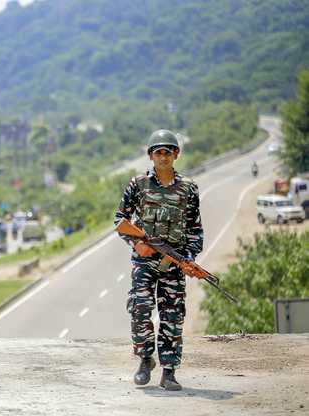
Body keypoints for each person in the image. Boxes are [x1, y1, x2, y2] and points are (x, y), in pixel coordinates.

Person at [114, 129, 204, 391]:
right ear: (151, 156)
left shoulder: (189, 189)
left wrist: (188, 259)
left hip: (173, 263)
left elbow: (195, 229)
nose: (163, 157)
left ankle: (169, 371)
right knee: (140, 307)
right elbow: (120, 221)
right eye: (158, 152)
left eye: (168, 151)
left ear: (176, 154)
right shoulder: (138, 184)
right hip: (144, 262)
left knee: (172, 314)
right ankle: (144, 360)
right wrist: (136, 243)